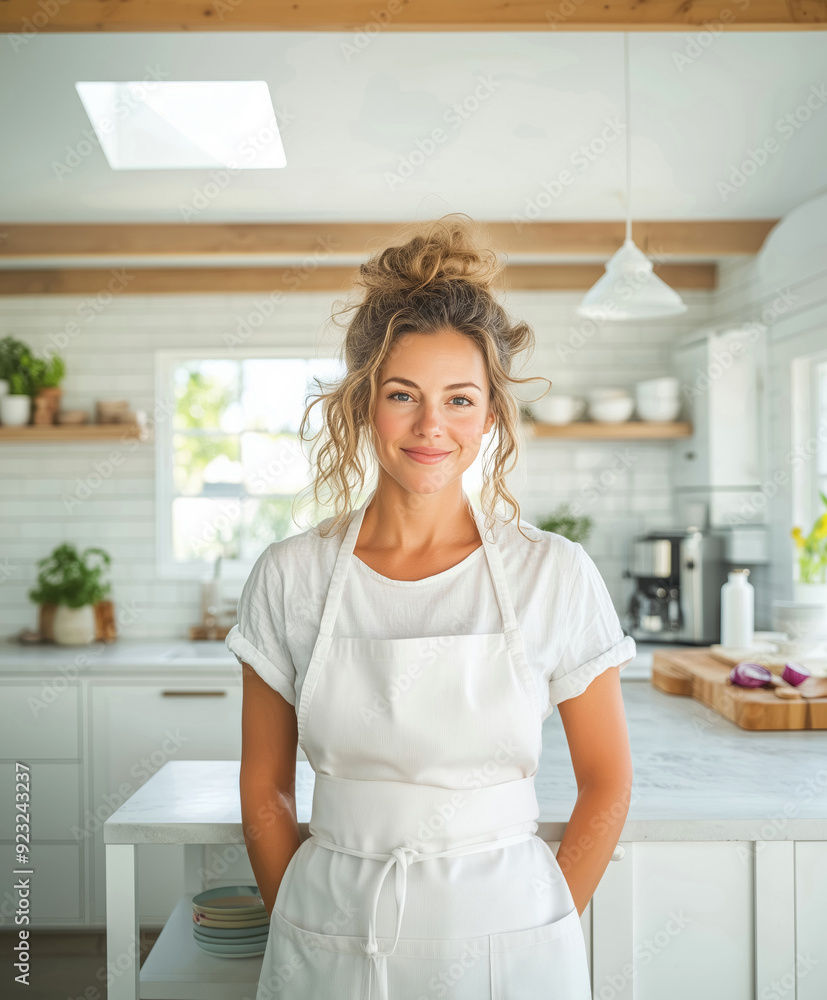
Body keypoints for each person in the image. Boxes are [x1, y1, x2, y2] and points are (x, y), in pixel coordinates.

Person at [226, 213, 636, 1000]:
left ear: (489, 414)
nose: (430, 427)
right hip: (333, 933)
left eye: (458, 399)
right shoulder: (290, 576)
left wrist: (545, 920)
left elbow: (607, 780)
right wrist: (302, 925)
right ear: (360, 404)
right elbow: (264, 788)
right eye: (401, 395)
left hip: (512, 939)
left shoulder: (554, 573)